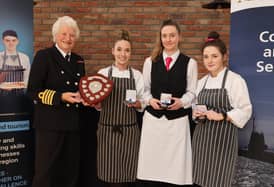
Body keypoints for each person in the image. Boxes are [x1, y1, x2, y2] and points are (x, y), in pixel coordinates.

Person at [27, 16, 87, 187]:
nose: (68, 38)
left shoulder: (78, 60)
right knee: (46, 173)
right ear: (55, 35)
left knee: (70, 173)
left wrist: (87, 99)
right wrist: (60, 97)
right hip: (49, 125)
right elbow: (33, 92)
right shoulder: (44, 56)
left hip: (72, 125)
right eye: (64, 34)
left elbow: (81, 89)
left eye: (72, 35)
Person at [137, 19, 198, 186]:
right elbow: (144, 90)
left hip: (177, 122)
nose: (168, 39)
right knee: (152, 169)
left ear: (179, 37)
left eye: (172, 35)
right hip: (153, 122)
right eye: (164, 36)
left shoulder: (190, 63)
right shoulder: (150, 62)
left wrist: (182, 102)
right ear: (160, 38)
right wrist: (150, 100)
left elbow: (193, 92)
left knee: (175, 172)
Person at [192, 31, 252, 187]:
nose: (209, 61)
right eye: (206, 57)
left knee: (219, 180)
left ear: (224, 56)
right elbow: (195, 108)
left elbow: (246, 110)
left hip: (222, 142)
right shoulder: (201, 82)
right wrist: (197, 114)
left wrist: (223, 116)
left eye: (214, 56)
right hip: (201, 141)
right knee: (199, 180)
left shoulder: (235, 80)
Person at [95, 30, 144, 187]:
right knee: (109, 175)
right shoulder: (103, 74)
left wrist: (137, 104)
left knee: (128, 175)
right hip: (107, 132)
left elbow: (143, 102)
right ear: (113, 51)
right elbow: (98, 103)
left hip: (129, 133)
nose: (123, 54)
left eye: (127, 50)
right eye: (119, 49)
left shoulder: (137, 75)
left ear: (130, 53)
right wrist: (96, 104)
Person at [0, 29, 30, 96]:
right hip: (1, 96)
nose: (11, 43)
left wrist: (22, 84)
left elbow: (27, 77)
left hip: (20, 96)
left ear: (17, 41)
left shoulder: (24, 57)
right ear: (3, 41)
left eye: (13, 40)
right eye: (7, 40)